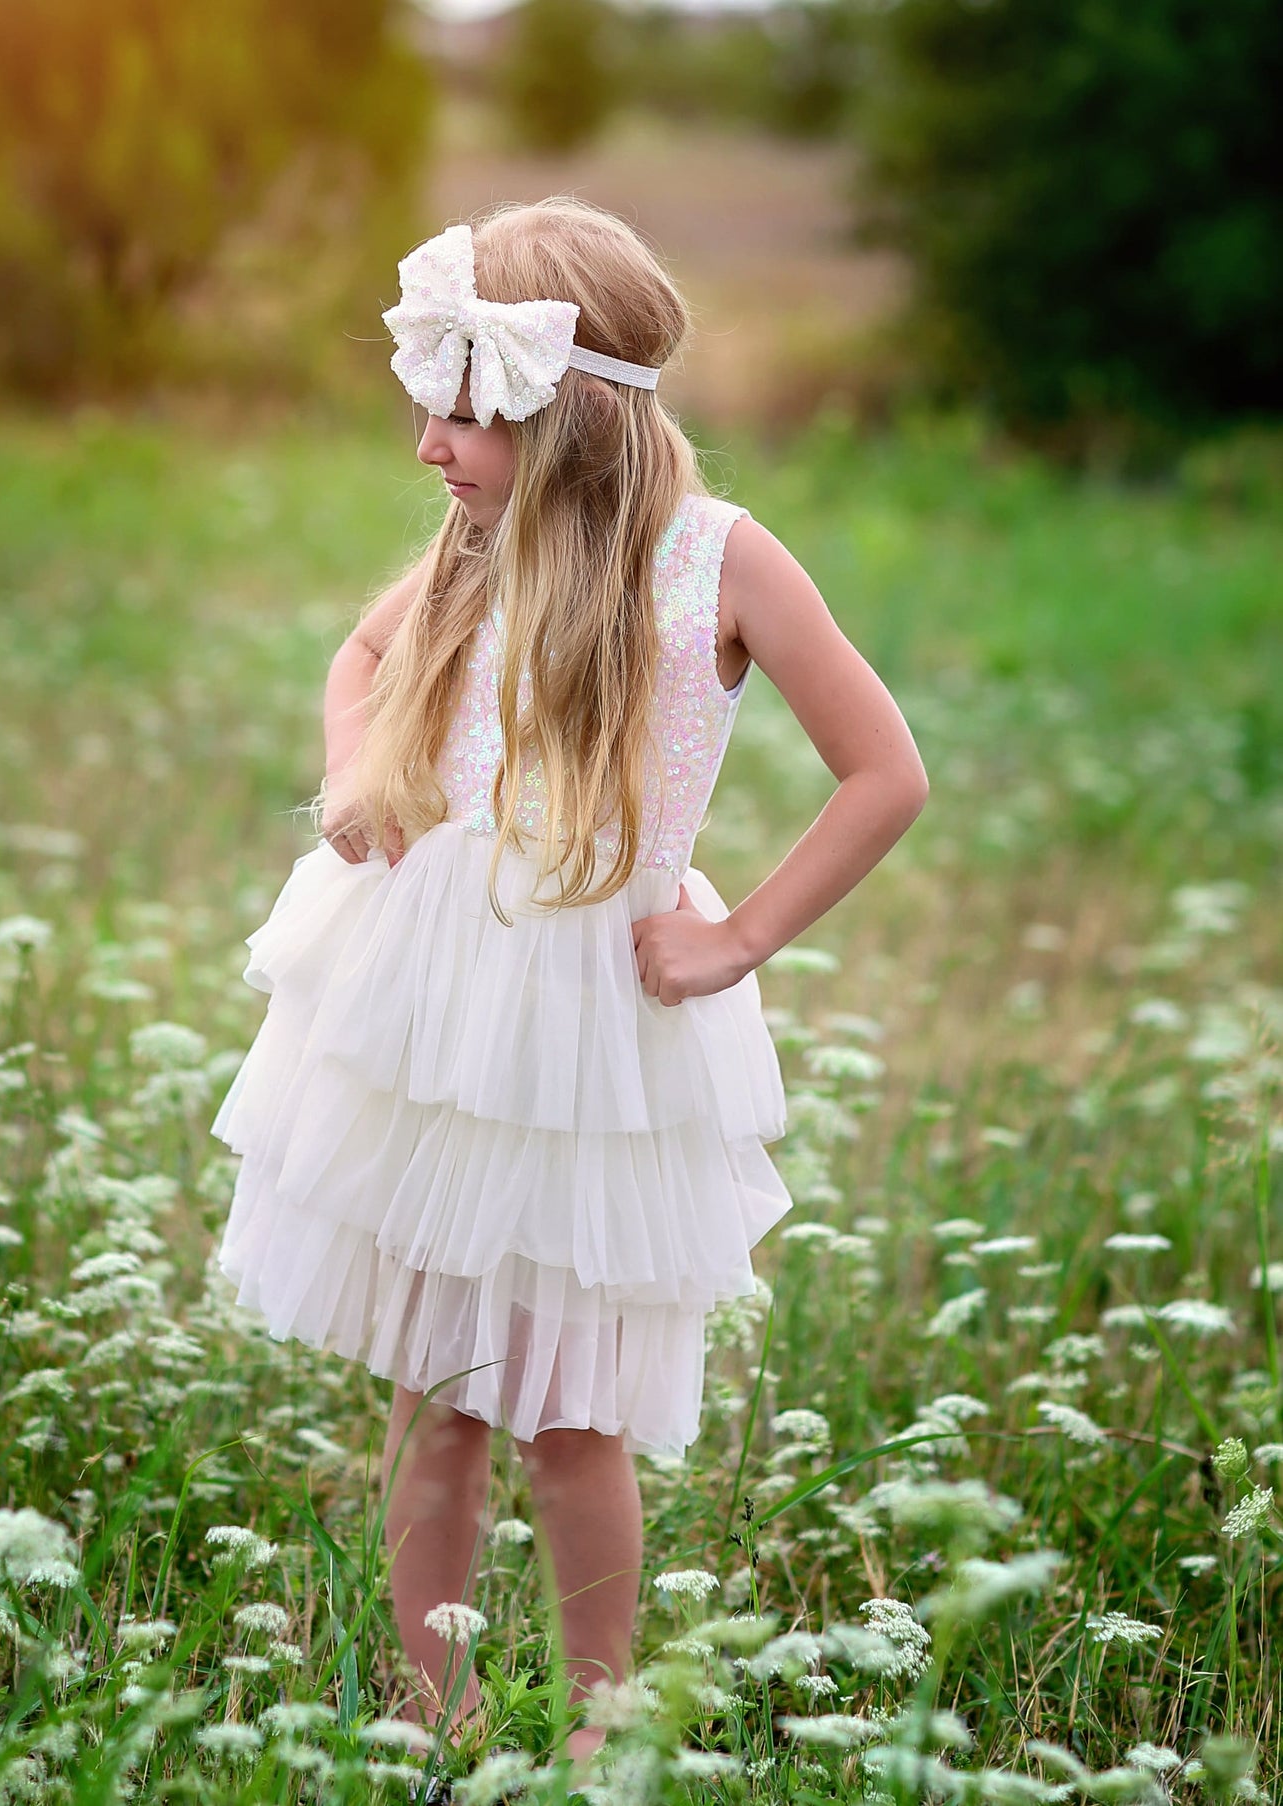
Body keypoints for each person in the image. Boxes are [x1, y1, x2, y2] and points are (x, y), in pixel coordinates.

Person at [209, 196, 928, 1789]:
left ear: (569, 407)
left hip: (592, 1024)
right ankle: (428, 1698)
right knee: (434, 1386)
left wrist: (733, 940)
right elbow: (358, 655)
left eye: (463, 407)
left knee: (570, 1404)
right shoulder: (479, 539)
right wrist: (352, 768)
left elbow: (884, 772)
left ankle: (608, 1718)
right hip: (439, 1000)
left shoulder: (715, 560)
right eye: (427, 399)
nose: (425, 445)